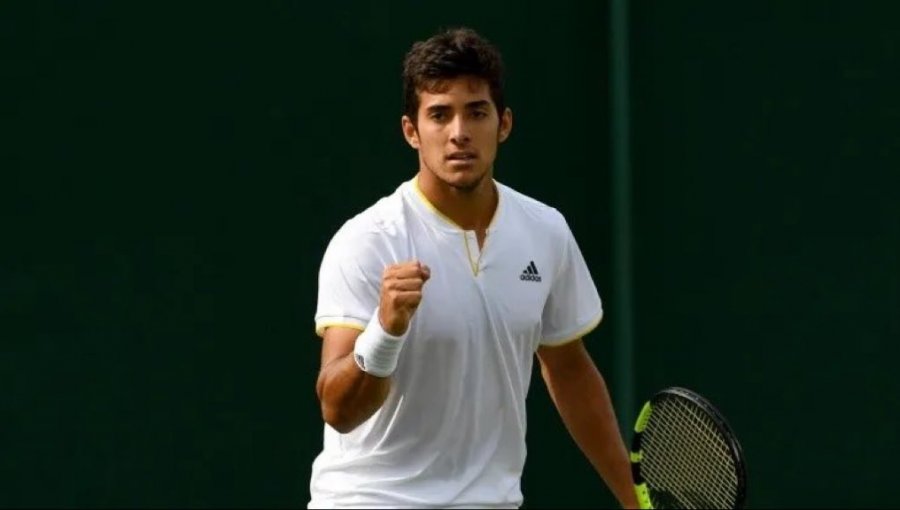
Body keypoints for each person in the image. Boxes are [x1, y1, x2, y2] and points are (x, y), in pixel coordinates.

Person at [310, 27, 638, 509]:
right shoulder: (367, 241)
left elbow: (569, 370)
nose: (459, 132)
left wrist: (632, 499)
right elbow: (338, 410)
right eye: (439, 115)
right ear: (411, 131)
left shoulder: (545, 232)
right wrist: (385, 330)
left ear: (503, 124)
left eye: (476, 112)